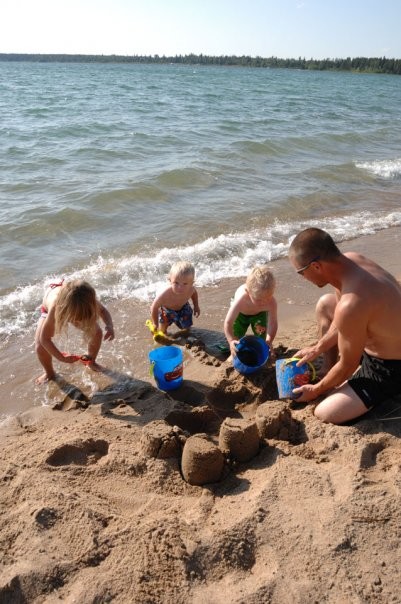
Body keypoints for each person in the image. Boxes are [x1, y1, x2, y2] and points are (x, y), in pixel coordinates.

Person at [288, 227, 401, 424]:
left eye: (300, 272)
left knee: (326, 412)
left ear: (315, 266)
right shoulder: (350, 261)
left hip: (390, 365)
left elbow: (347, 365)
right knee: (326, 304)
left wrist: (316, 390)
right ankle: (327, 369)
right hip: (379, 333)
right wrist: (319, 347)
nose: (302, 278)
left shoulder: (352, 305)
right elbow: (342, 317)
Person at [35, 279, 115, 384]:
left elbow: (103, 311)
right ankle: (49, 373)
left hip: (72, 300)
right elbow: (44, 338)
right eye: (76, 317)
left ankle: (91, 362)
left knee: (97, 332)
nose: (78, 321)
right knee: (40, 346)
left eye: (82, 317)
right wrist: (61, 357)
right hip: (50, 308)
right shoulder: (55, 307)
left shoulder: (86, 299)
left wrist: (109, 326)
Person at [224, 265, 278, 358]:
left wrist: (269, 340)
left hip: (259, 315)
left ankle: (261, 351)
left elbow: (272, 323)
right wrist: (231, 340)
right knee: (236, 336)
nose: (264, 302)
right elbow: (228, 322)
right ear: (248, 292)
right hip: (240, 314)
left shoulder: (271, 302)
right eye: (259, 300)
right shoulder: (241, 300)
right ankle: (234, 353)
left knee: (262, 338)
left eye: (268, 298)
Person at [150, 261, 200, 338]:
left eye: (185, 284)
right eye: (176, 283)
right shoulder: (164, 293)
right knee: (162, 330)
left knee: (187, 328)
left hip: (183, 307)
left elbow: (194, 294)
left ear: (191, 283)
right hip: (167, 310)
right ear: (170, 281)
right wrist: (155, 323)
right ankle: (164, 335)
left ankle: (185, 335)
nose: (180, 287)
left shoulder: (191, 289)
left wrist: (196, 306)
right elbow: (154, 307)